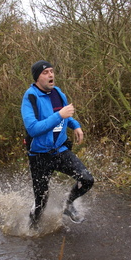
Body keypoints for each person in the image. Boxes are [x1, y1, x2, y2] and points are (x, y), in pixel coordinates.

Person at [21, 60, 94, 228]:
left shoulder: (58, 93)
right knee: (41, 201)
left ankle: (67, 204)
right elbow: (33, 129)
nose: (50, 75)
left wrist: (75, 125)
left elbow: (65, 116)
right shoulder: (30, 97)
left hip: (60, 150)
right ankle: (31, 232)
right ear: (37, 78)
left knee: (87, 179)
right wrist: (60, 115)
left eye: (52, 71)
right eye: (45, 73)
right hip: (39, 155)